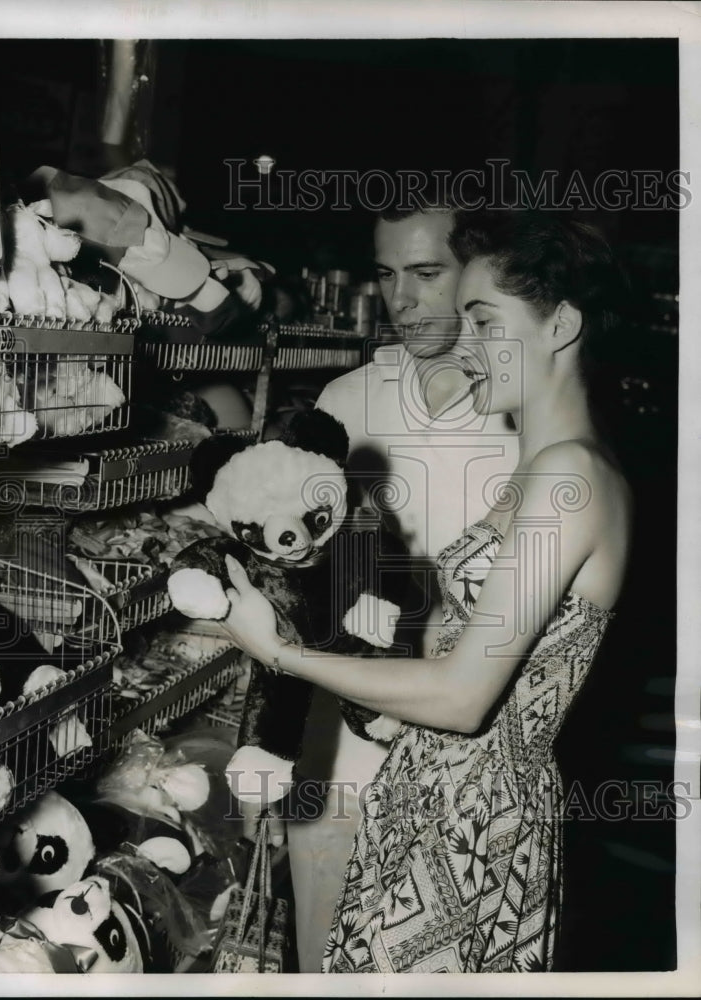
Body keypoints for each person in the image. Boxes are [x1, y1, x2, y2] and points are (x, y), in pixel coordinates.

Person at [219, 209, 631, 972]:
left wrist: (279, 653)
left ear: (560, 324)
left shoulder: (568, 477)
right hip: (427, 792)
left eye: (484, 321)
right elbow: (454, 646)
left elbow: (462, 698)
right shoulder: (535, 472)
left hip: (469, 821)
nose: (463, 343)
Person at [282, 203, 519, 971]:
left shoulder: (522, 414)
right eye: (386, 275)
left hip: (466, 748)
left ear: (479, 273)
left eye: (426, 273)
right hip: (341, 742)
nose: (402, 300)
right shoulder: (344, 402)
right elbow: (297, 569)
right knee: (322, 957)